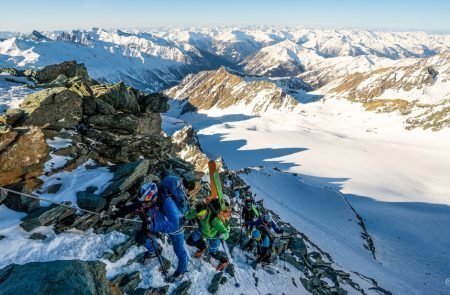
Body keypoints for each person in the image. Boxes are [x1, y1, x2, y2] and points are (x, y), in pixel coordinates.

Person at [113, 181, 189, 282]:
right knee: (141, 237)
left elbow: (174, 226)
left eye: (146, 202)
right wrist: (118, 213)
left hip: (176, 229)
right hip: (157, 221)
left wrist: (152, 226)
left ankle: (181, 271)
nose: (143, 204)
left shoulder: (169, 204)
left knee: (179, 251)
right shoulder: (150, 199)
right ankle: (155, 250)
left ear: (153, 199)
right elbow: (137, 205)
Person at [185, 199, 230, 271]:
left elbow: (226, 232)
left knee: (213, 253)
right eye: (198, 215)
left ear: (206, 212)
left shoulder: (214, 220)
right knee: (190, 241)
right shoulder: (198, 211)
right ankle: (203, 247)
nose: (199, 217)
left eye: (200, 215)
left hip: (213, 237)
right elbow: (190, 214)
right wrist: (184, 218)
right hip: (202, 231)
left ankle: (224, 261)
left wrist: (222, 236)